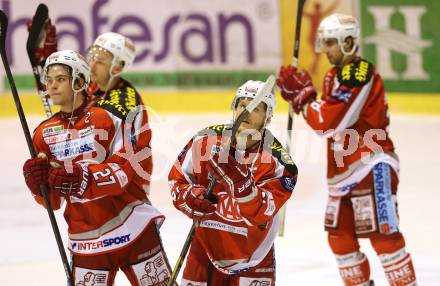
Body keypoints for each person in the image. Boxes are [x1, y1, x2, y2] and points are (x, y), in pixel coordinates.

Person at [276, 14, 417, 286]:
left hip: (370, 163)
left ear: (349, 42)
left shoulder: (359, 73)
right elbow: (325, 117)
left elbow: (327, 122)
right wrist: (301, 99)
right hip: (342, 172)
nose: (325, 50)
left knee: (383, 235)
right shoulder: (333, 75)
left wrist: (304, 98)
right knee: (339, 237)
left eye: (330, 43)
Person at [22, 50, 171, 285]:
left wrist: (79, 178)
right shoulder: (42, 134)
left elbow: (124, 170)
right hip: (86, 240)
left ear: (80, 81)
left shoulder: (107, 117)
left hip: (133, 227)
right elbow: (54, 202)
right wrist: (38, 186)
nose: (52, 86)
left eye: (60, 79)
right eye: (49, 80)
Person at [168, 80, 298, 285]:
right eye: (242, 105)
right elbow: (177, 181)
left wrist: (242, 186)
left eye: (256, 108)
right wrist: (189, 197)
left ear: (268, 117)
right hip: (204, 249)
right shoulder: (204, 140)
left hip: (253, 256)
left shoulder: (280, 163)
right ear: (234, 109)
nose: (246, 112)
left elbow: (261, 213)